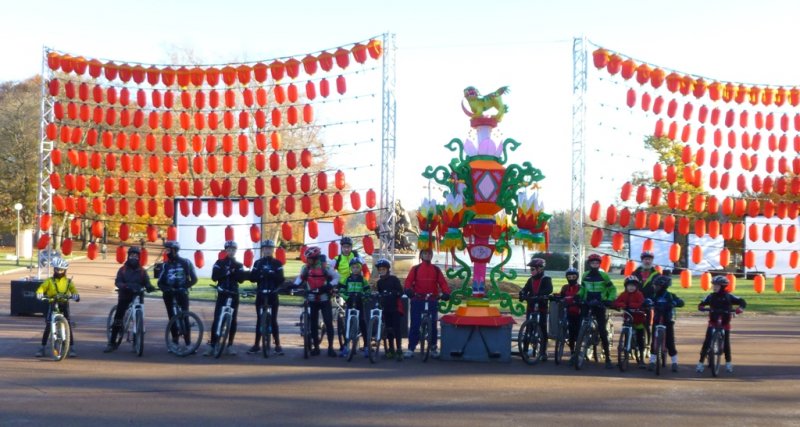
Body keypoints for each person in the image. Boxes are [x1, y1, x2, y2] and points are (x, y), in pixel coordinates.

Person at [105, 246, 155, 352]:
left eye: (136, 256)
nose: (134, 257)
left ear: (139, 257)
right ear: (128, 256)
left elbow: (147, 282)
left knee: (139, 317)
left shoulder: (142, 271)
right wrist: (125, 286)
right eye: (132, 255)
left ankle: (137, 340)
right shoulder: (122, 270)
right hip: (125, 296)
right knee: (118, 318)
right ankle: (112, 342)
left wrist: (150, 287)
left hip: (138, 296)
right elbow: (118, 282)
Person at [403, 248, 450, 359]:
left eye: (429, 253)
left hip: (432, 299)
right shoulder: (415, 269)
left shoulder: (436, 269)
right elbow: (408, 282)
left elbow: (443, 283)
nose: (427, 255)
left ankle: (433, 347)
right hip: (417, 299)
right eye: (425, 253)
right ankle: (411, 348)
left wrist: (446, 293)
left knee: (433, 325)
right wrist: (408, 290)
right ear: (421, 255)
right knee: (415, 324)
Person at [293, 246, 339, 357]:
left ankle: (331, 348)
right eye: (307, 258)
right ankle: (316, 348)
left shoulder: (325, 267)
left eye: (309, 258)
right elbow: (300, 278)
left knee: (328, 323)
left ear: (315, 258)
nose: (307, 260)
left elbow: (337, 277)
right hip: (312, 299)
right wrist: (294, 285)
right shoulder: (306, 268)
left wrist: (328, 286)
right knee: (313, 324)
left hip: (324, 299)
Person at [204, 240, 247, 356]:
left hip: (234, 293)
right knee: (217, 318)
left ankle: (230, 345)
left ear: (235, 251)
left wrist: (233, 272)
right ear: (226, 250)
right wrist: (227, 272)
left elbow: (241, 279)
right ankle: (213, 344)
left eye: (233, 250)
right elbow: (214, 277)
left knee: (233, 320)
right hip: (222, 293)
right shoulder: (219, 262)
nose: (231, 252)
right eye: (229, 249)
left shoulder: (239, 265)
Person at [697, 275, 746, 373]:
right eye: (713, 285)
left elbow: (742, 301)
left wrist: (740, 308)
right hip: (713, 321)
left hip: (725, 322)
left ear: (723, 286)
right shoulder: (710, 296)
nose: (714, 287)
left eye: (717, 285)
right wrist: (701, 307)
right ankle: (700, 363)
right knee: (707, 341)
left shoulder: (729, 296)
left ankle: (728, 363)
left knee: (726, 343)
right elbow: (702, 303)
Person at [157, 240, 198, 352]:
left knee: (184, 316)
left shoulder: (186, 262)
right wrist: (166, 289)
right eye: (166, 249)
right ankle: (175, 342)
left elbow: (194, 279)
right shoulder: (165, 265)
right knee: (172, 317)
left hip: (182, 293)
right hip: (169, 294)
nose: (166, 252)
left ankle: (189, 343)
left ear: (174, 250)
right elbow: (160, 282)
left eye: (168, 250)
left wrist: (184, 287)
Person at [577, 253, 616, 368]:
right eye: (593, 263)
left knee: (602, 331)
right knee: (581, 326)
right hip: (588, 303)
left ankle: (608, 358)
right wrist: (578, 296)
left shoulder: (604, 276)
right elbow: (583, 289)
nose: (594, 265)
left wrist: (609, 300)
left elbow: (612, 289)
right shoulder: (585, 275)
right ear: (589, 264)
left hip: (600, 304)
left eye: (597, 263)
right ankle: (577, 354)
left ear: (599, 264)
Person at [35, 258, 79, 358]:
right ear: (54, 269)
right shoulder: (49, 281)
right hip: (53, 303)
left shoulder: (68, 282)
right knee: (49, 325)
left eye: (61, 270)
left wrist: (76, 295)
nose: (59, 272)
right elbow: (42, 288)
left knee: (68, 324)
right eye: (57, 269)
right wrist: (39, 293)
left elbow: (74, 290)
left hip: (64, 304)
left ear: (65, 270)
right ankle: (42, 347)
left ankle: (72, 347)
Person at [248, 239, 286, 355]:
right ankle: (256, 344)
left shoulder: (277, 263)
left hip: (272, 294)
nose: (268, 250)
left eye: (270, 248)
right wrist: (261, 274)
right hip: (261, 293)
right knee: (260, 319)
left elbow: (281, 279)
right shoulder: (258, 263)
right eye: (265, 248)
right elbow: (252, 277)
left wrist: (271, 274)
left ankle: (278, 344)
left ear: (273, 250)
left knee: (273, 319)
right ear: (262, 250)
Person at [648, 274, 684, 372]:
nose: (654, 287)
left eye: (656, 286)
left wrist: (676, 303)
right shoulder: (654, 296)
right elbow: (647, 300)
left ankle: (674, 362)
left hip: (668, 321)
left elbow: (680, 301)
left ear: (662, 286)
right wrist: (647, 302)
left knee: (670, 342)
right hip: (657, 320)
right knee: (654, 342)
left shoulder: (670, 296)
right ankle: (652, 361)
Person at [518, 257, 553, 362]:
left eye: (533, 269)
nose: (531, 271)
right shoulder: (531, 280)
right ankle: (524, 350)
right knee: (528, 328)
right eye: (531, 269)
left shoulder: (546, 279)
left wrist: (542, 295)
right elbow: (525, 288)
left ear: (540, 269)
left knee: (542, 327)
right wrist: (522, 294)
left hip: (541, 306)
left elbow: (549, 289)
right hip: (531, 305)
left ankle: (543, 351)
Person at [338, 257, 371, 357]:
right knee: (347, 324)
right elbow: (342, 291)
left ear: (360, 269)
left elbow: (367, 291)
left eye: (357, 267)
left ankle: (366, 346)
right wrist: (346, 297)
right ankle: (346, 346)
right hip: (350, 302)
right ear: (350, 268)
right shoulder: (346, 279)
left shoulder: (363, 280)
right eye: (353, 267)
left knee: (362, 323)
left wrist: (364, 297)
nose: (355, 269)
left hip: (360, 303)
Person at [612, 275, 647, 368]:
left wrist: (632, 305)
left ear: (637, 287)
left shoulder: (639, 294)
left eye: (633, 286)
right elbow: (616, 302)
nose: (631, 287)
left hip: (638, 319)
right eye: (629, 286)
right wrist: (621, 305)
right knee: (626, 336)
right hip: (628, 319)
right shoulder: (624, 294)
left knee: (640, 339)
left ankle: (641, 359)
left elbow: (641, 303)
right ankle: (625, 356)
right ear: (626, 286)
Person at [375, 258, 404, 361]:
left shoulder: (394, 279)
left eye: (383, 269)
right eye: (380, 269)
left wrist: (396, 293)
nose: (382, 271)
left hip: (395, 308)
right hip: (385, 309)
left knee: (397, 329)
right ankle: (391, 349)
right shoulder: (379, 283)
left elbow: (401, 291)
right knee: (389, 329)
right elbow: (380, 293)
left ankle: (399, 349)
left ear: (387, 269)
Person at [633, 250, 660, 355]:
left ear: (652, 261)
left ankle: (648, 347)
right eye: (645, 259)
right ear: (642, 260)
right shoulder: (635, 273)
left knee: (648, 325)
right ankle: (633, 345)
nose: (647, 261)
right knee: (633, 324)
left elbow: (660, 289)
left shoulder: (657, 275)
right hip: (636, 302)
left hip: (650, 304)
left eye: (649, 259)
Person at [559, 268, 581, 364]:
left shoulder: (580, 288)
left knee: (577, 332)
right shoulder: (565, 287)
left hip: (579, 313)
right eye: (569, 277)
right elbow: (561, 296)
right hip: (569, 312)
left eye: (573, 277)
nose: (571, 278)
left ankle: (578, 349)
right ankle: (572, 352)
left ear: (577, 277)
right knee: (571, 333)